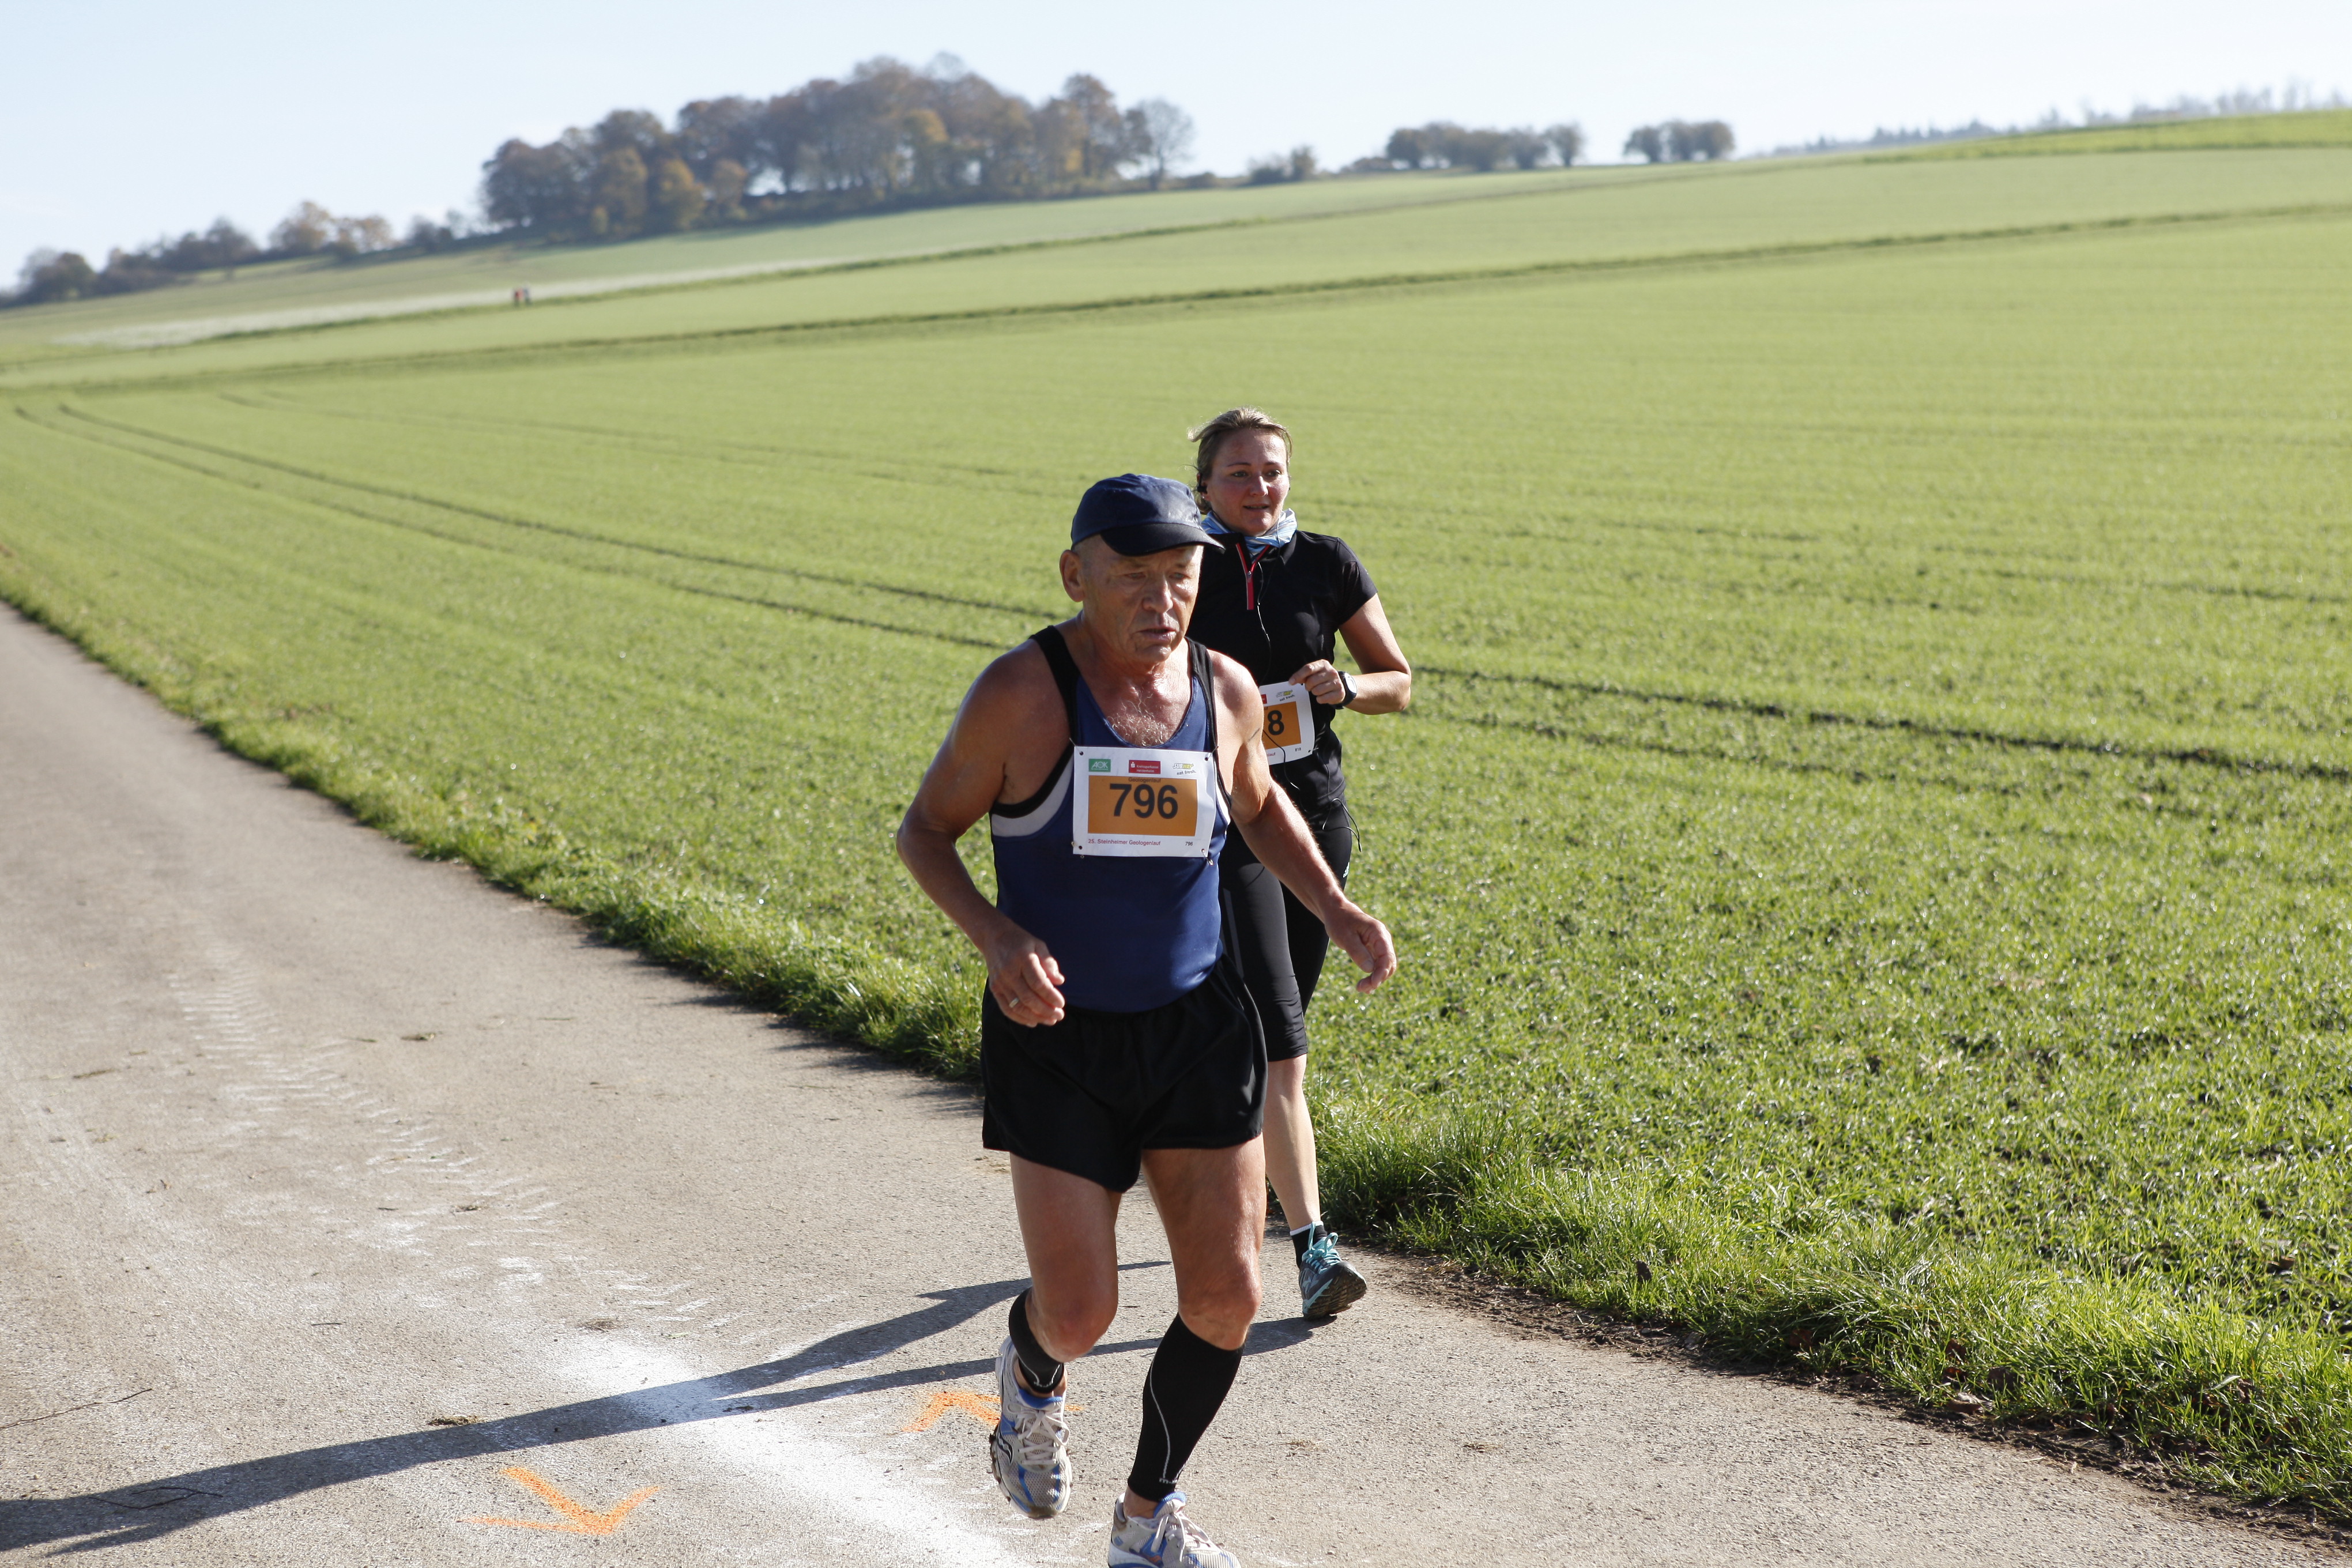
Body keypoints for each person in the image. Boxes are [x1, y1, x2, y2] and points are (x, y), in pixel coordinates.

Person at [897, 473, 1397, 1568]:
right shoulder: (1023, 694)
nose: (1161, 599)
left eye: (1180, 576)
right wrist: (997, 939)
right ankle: (1033, 1371)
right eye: (1133, 576)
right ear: (1076, 576)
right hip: (1059, 1035)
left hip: (1197, 1026)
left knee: (1227, 1296)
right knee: (1079, 1313)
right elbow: (925, 832)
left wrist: (1336, 906)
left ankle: (1145, 1519)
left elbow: (1258, 803)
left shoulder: (1224, 687)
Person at [1183, 408, 1413, 1319]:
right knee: (1281, 1041)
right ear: (1206, 485)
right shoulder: (1183, 565)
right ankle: (1314, 1247)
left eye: (1272, 471)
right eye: (1239, 473)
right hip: (1225, 826)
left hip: (1316, 822)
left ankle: (1212, 1167)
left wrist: (1346, 686)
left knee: (1269, 1040)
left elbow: (1398, 681)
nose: (1260, 487)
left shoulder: (1326, 561)